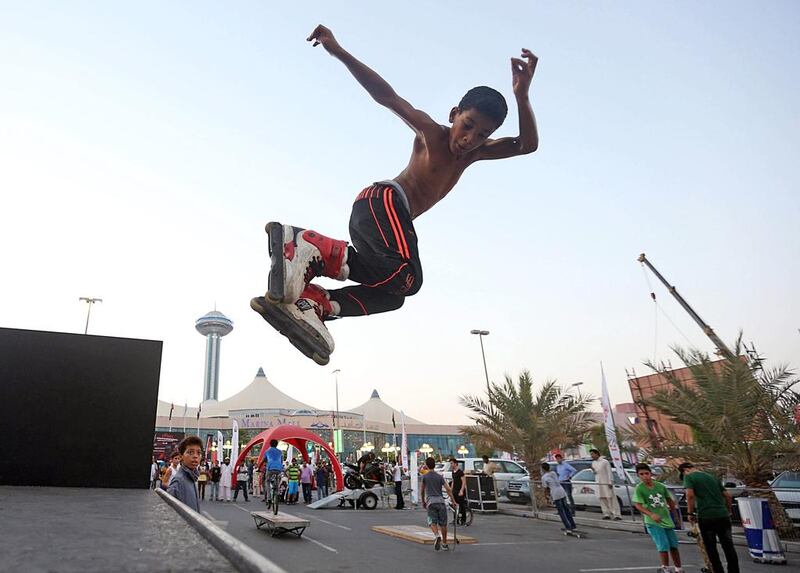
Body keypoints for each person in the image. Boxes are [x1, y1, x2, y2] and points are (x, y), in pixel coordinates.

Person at [250, 24, 539, 366]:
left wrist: (522, 96)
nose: (469, 138)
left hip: (380, 223)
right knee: (409, 277)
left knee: (395, 294)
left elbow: (527, 145)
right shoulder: (431, 133)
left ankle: (315, 304)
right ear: (453, 115)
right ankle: (310, 246)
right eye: (468, 125)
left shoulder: (476, 153)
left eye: (482, 134)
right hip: (382, 202)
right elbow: (386, 96)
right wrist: (339, 51)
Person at [679, 462, 739, 573]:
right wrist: (728, 510)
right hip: (722, 515)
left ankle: (718, 570)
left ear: (685, 471)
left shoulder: (689, 477)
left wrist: (690, 513)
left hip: (706, 516)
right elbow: (728, 496)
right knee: (728, 546)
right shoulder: (712, 477)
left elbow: (690, 495)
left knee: (711, 548)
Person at [633, 463, 684, 573]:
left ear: (650, 473)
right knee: (663, 545)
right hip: (653, 522)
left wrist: (676, 517)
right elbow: (638, 505)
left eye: (646, 473)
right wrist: (651, 514)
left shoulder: (660, 486)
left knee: (673, 545)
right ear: (638, 475)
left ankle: (678, 568)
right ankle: (665, 567)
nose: (645, 476)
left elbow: (670, 501)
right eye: (641, 474)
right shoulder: (639, 489)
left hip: (666, 519)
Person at [421, 457, 457, 551]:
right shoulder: (439, 476)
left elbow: (422, 490)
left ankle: (437, 536)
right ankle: (444, 544)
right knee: (443, 524)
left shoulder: (425, 476)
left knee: (432, 522)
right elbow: (448, 489)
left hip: (431, 502)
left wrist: (423, 501)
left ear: (427, 465)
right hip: (441, 502)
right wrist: (453, 501)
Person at [166, 436, 203, 512]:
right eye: (190, 452)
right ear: (181, 456)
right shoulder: (178, 481)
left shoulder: (192, 477)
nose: (195, 456)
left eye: (198, 453)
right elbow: (169, 512)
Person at [541, 462, 577, 533]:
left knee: (561, 512)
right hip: (561, 491)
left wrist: (546, 496)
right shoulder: (553, 473)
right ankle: (572, 525)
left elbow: (545, 488)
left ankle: (568, 527)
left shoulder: (544, 477)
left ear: (543, 469)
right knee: (566, 509)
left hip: (555, 493)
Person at [589, 449, 621, 520]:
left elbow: (609, 472)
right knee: (602, 498)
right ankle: (606, 513)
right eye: (591, 454)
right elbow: (595, 473)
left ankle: (616, 515)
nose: (592, 456)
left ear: (597, 454)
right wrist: (593, 470)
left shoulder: (605, 462)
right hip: (599, 483)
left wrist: (610, 482)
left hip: (606, 482)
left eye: (592, 454)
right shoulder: (593, 463)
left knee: (611, 498)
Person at [263, 439, 284, 506]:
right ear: (277, 445)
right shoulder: (280, 452)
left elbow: (264, 460)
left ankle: (268, 498)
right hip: (278, 469)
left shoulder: (267, 451)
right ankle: (277, 492)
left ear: (270, 444)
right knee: (278, 480)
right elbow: (281, 461)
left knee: (267, 481)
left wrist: (259, 467)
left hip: (270, 468)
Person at [449, 458, 467, 523]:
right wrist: (451, 489)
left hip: (460, 490)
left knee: (461, 505)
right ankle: (455, 519)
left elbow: (464, 482)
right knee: (454, 504)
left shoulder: (460, 472)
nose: (451, 465)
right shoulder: (453, 472)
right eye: (450, 463)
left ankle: (463, 519)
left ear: (455, 464)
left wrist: (461, 490)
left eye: (452, 463)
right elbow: (453, 481)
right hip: (455, 490)